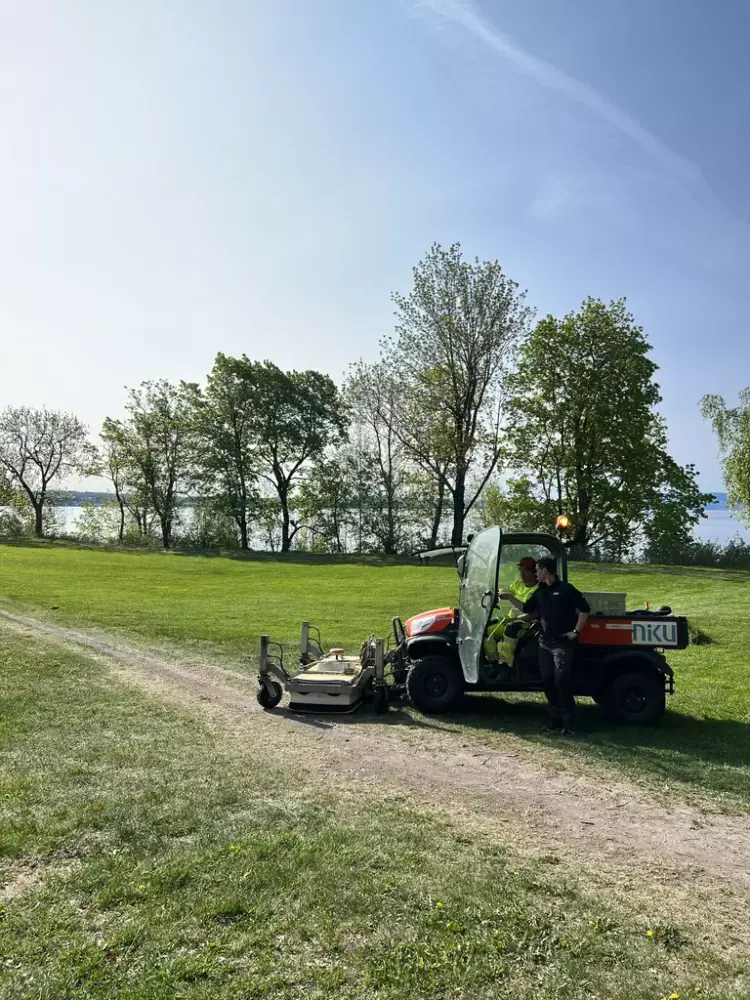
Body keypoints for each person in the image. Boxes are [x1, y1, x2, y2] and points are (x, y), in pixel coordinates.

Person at [522, 556, 590, 736]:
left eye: (537, 570)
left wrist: (576, 631)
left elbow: (585, 609)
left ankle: (570, 724)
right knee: (548, 681)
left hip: (562, 644)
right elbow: (527, 609)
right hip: (544, 643)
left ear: (545, 570)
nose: (535, 573)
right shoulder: (540, 591)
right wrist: (509, 598)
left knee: (562, 680)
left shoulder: (566, 589)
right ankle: (555, 721)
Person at [483, 557, 538, 665]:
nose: (522, 574)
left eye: (525, 571)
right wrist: (491, 593)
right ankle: (492, 661)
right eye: (520, 570)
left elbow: (533, 615)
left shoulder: (539, 590)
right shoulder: (518, 584)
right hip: (510, 620)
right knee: (488, 627)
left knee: (511, 628)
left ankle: (506, 665)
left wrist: (509, 598)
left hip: (526, 624)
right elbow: (502, 592)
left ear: (534, 572)